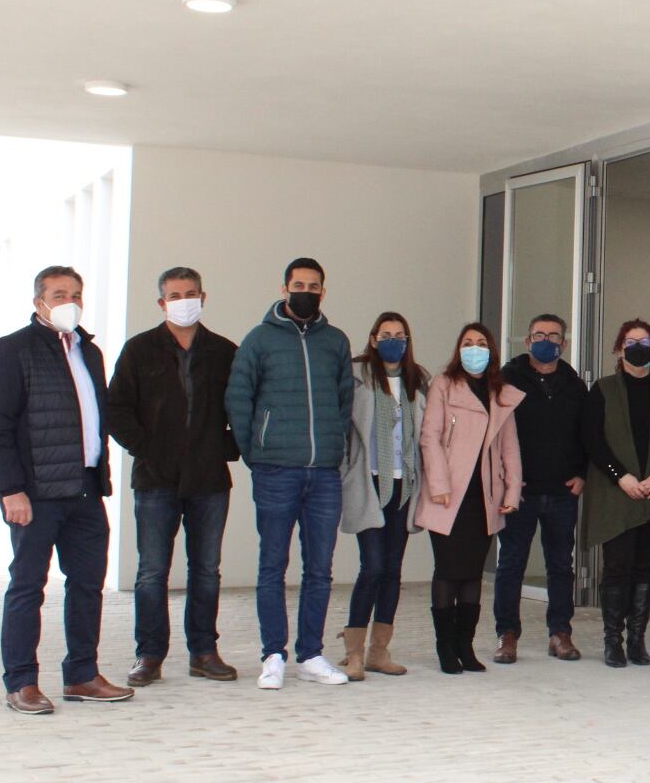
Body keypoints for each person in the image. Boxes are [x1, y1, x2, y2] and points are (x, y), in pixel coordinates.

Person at [0, 266, 133, 712]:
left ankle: (82, 675)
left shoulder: (90, 351)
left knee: (87, 586)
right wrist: (9, 489)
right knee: (28, 587)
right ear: (38, 302)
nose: (70, 302)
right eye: (59, 294)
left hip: (85, 487)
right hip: (36, 492)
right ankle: (21, 682)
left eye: (76, 294)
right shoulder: (11, 351)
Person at [225, 257, 356, 691]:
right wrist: (256, 451)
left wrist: (333, 447)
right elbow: (239, 398)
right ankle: (273, 655)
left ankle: (311, 655)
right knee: (271, 566)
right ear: (284, 289)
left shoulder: (335, 341)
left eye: (314, 285)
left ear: (323, 291)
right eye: (298, 284)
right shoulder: (259, 340)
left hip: (323, 473)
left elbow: (343, 399)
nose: (306, 290)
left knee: (319, 569)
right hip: (275, 469)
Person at [106, 267, 241, 684]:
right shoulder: (138, 350)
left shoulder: (224, 351)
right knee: (151, 572)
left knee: (205, 569)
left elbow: (242, 407)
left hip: (209, 479)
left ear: (204, 297)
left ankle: (204, 651)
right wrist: (146, 448)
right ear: (162, 302)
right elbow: (116, 410)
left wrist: (227, 447)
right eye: (175, 295)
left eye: (191, 293)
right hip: (155, 479)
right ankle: (149, 655)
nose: (184, 301)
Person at [415, 323, 521, 674]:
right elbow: (430, 437)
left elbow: (509, 446)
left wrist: (512, 490)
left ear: (491, 350)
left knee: (473, 573)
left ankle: (466, 646)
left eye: (480, 343)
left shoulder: (499, 391)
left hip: (484, 496)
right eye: (467, 343)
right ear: (458, 349)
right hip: (448, 496)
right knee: (448, 572)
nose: (474, 349)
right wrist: (439, 484)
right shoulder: (444, 385)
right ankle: (446, 647)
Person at [582, 321, 650, 668]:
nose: (637, 346)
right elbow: (593, 440)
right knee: (617, 567)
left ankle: (637, 640)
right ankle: (613, 641)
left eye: (644, 341)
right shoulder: (603, 389)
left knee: (644, 568)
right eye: (630, 341)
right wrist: (620, 477)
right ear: (618, 348)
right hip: (617, 493)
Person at [492, 313, 587, 663]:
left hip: (563, 491)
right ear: (528, 340)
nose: (547, 341)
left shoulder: (574, 384)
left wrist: (582, 474)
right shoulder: (507, 380)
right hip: (521, 492)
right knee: (511, 563)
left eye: (554, 336)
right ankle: (507, 635)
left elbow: (586, 433)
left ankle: (560, 633)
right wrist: (507, 480)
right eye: (539, 335)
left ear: (564, 343)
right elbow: (496, 434)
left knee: (561, 565)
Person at [337, 312, 427, 679]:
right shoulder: (357, 375)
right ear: (373, 339)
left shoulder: (417, 380)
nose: (394, 340)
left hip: (404, 483)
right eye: (386, 334)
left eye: (401, 335)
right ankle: (354, 652)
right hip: (368, 480)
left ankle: (379, 650)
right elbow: (344, 426)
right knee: (372, 566)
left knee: (392, 570)